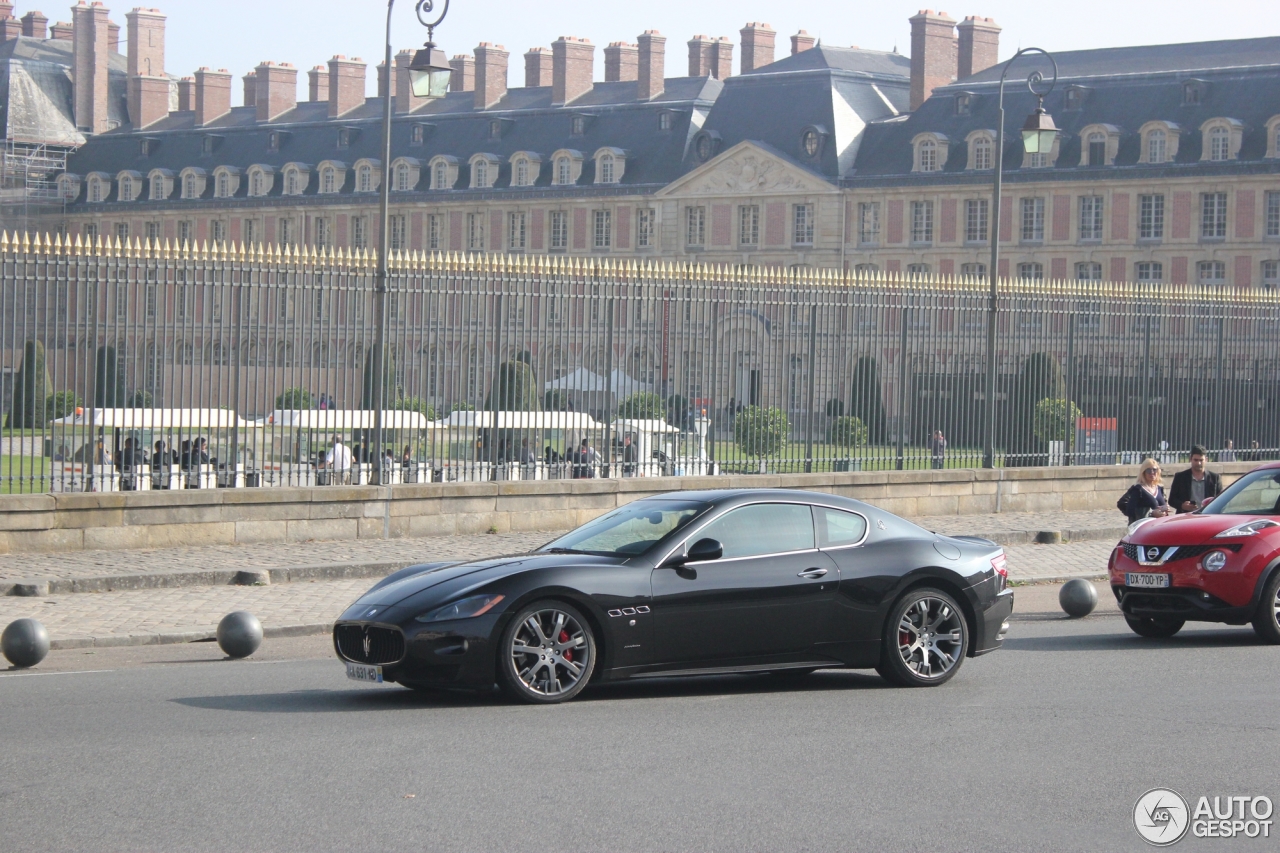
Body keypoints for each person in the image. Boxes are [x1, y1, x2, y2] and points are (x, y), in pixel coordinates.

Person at [1168, 445, 1222, 514]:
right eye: (1196, 460)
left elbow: (1221, 500)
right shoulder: (1180, 477)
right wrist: (1182, 505)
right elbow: (1172, 500)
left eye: (1201, 460)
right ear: (1190, 459)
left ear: (1206, 460)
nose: (1198, 463)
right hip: (1185, 516)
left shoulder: (1215, 478)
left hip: (1208, 516)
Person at [1117, 458, 1173, 523]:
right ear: (1143, 473)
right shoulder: (1138, 489)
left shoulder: (1160, 488)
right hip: (1144, 527)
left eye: (1154, 470)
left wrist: (1165, 509)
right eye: (1148, 470)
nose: (1152, 473)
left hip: (1160, 526)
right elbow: (1129, 509)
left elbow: (1164, 504)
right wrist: (1151, 513)